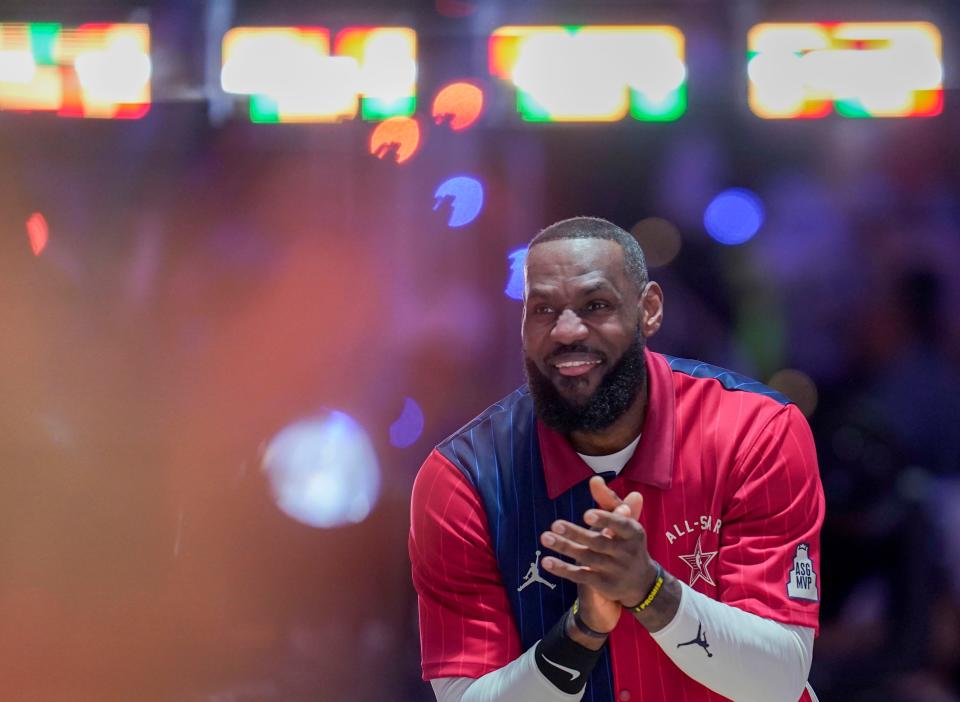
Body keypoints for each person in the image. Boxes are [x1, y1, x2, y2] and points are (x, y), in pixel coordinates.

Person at [409, 217, 825, 702]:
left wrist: (649, 591)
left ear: (648, 310)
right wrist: (581, 633)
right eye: (543, 308)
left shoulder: (754, 433)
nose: (566, 331)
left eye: (596, 305)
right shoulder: (465, 480)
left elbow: (779, 682)